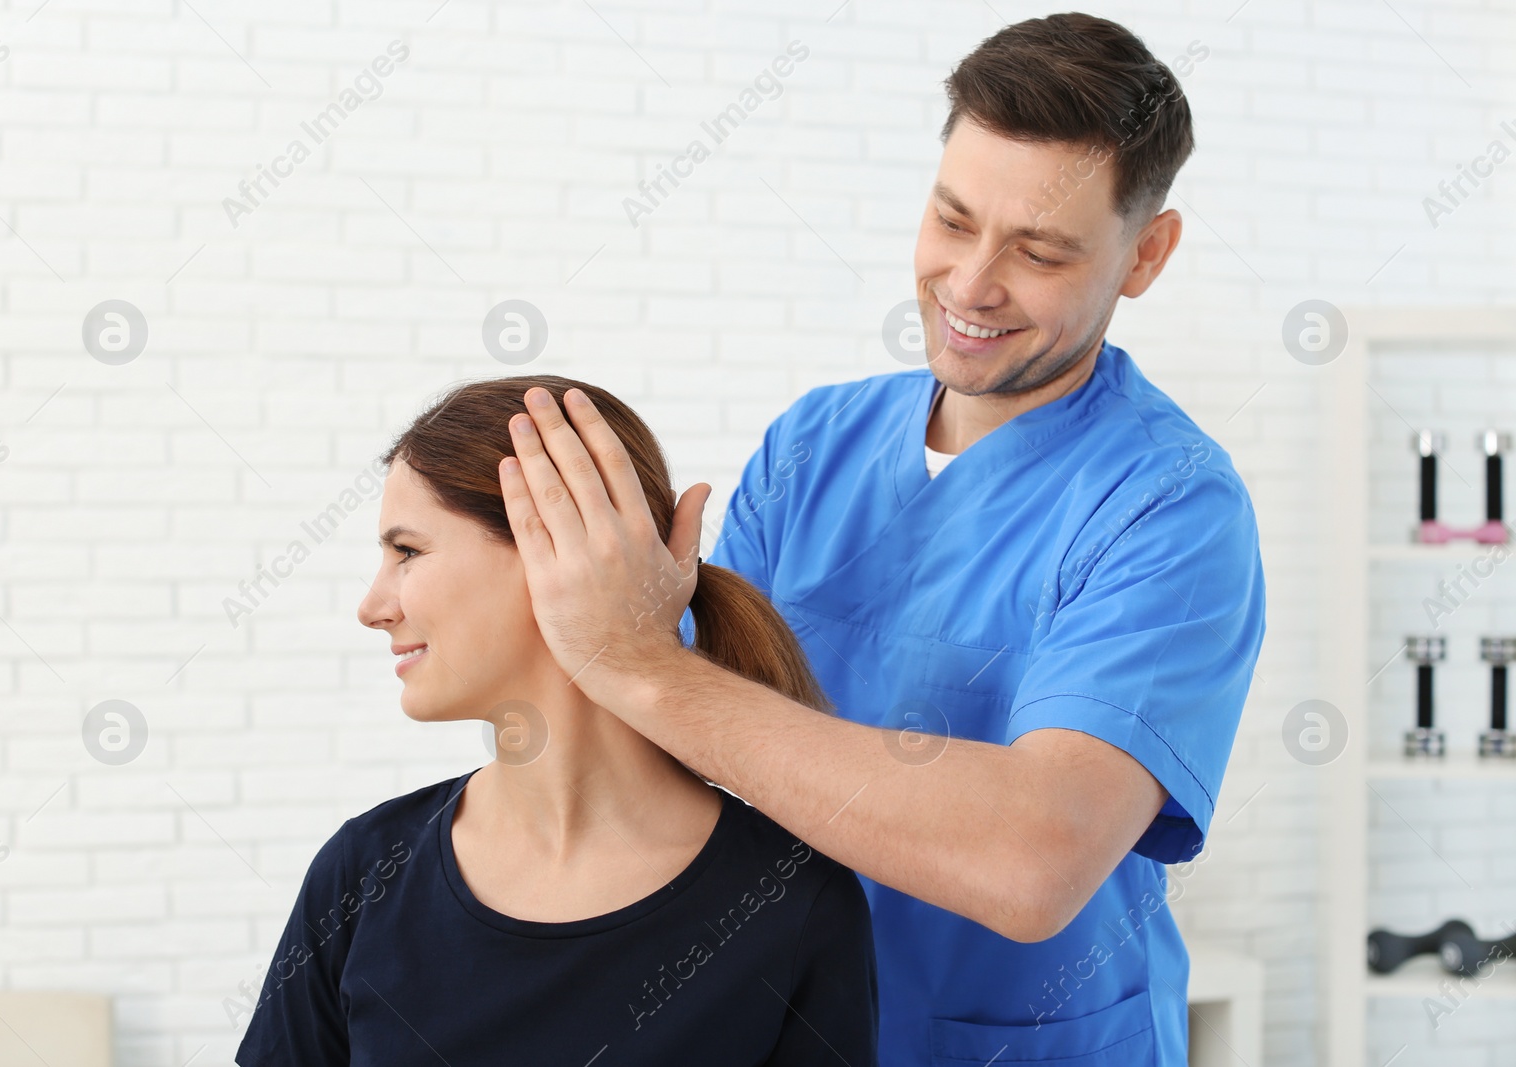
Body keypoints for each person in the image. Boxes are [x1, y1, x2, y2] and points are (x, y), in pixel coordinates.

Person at [493, 13, 1266, 1067]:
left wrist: (645, 668)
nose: (970, 284)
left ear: (1146, 255)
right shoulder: (815, 443)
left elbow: (1033, 858)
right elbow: (684, 760)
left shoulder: (1170, 505)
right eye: (952, 220)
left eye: (1038, 250)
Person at [235, 376, 879, 1067]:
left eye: (407, 552)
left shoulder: (792, 903)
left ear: (554, 550)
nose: (372, 604)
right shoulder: (360, 876)